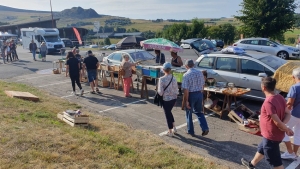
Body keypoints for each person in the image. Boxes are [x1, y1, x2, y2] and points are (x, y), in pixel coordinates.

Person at [241, 77, 293, 169]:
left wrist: (285, 128)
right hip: (273, 135)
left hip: (271, 136)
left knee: (276, 163)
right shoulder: (280, 97)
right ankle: (251, 165)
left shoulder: (268, 102)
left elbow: (277, 122)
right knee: (261, 148)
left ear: (263, 87)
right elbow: (288, 113)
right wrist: (283, 125)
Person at [182, 59, 209, 136]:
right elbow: (203, 84)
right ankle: (205, 128)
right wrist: (201, 92)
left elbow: (186, 90)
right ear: (193, 65)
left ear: (186, 66)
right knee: (199, 112)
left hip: (191, 95)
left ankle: (190, 130)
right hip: (199, 93)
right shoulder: (200, 73)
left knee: (188, 113)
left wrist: (186, 101)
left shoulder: (186, 75)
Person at [281, 68, 300, 159]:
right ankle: (294, 153)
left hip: (295, 114)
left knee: (283, 130)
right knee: (298, 134)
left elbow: (289, 104)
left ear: (293, 77)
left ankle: (290, 152)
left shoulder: (295, 87)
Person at [158, 62, 178, 136]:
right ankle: (174, 127)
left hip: (166, 99)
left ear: (163, 70)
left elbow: (160, 92)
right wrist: (175, 96)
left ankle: (170, 131)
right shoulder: (174, 78)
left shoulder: (161, 79)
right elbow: (176, 89)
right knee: (169, 112)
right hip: (173, 98)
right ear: (170, 70)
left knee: (167, 114)